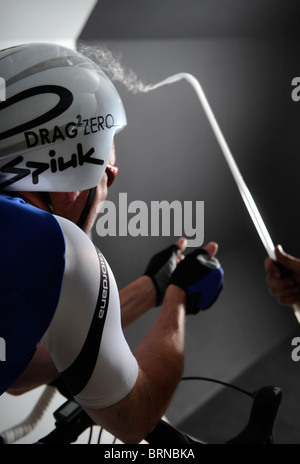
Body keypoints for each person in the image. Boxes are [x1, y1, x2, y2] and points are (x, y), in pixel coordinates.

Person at [0, 43, 224, 444]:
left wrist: (149, 289)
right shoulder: (56, 247)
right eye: (109, 173)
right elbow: (134, 416)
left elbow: (15, 369)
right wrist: (178, 299)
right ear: (71, 180)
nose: (106, 192)